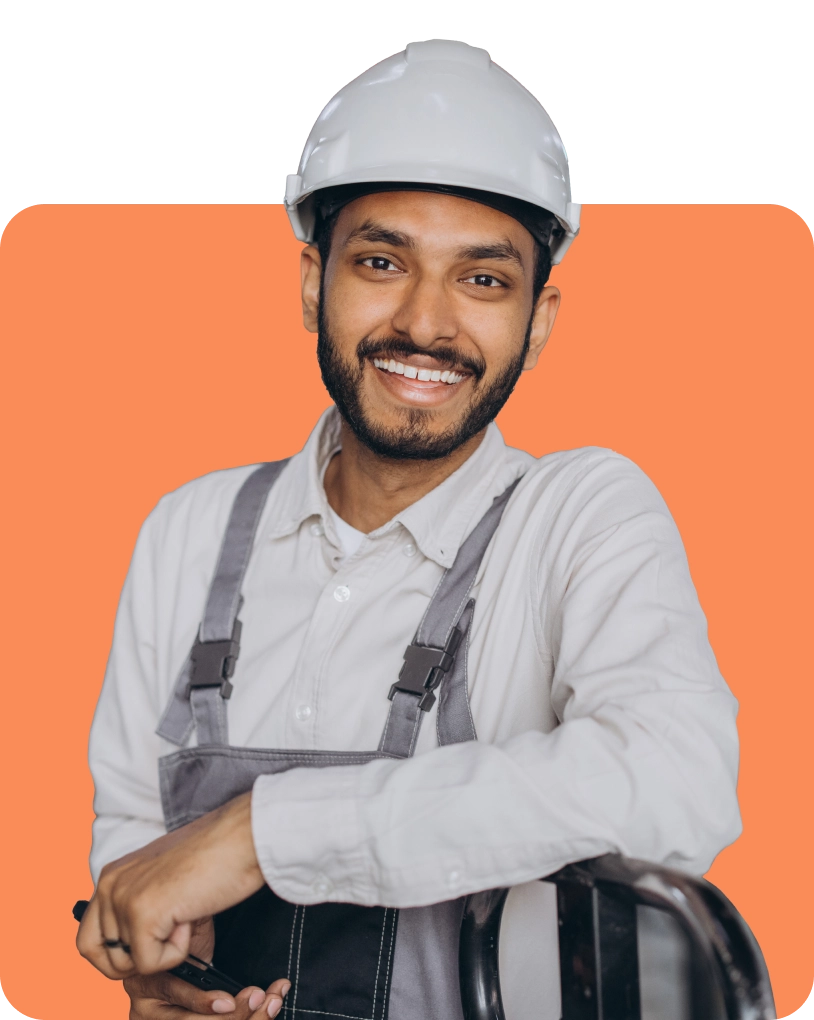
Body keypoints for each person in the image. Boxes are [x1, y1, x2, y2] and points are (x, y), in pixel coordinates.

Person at [76, 38, 742, 1020]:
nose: (426, 324)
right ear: (313, 283)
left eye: (482, 280)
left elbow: (676, 783)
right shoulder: (190, 529)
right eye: (382, 261)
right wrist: (144, 947)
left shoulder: (577, 515)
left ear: (540, 320)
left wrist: (259, 837)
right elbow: (133, 826)